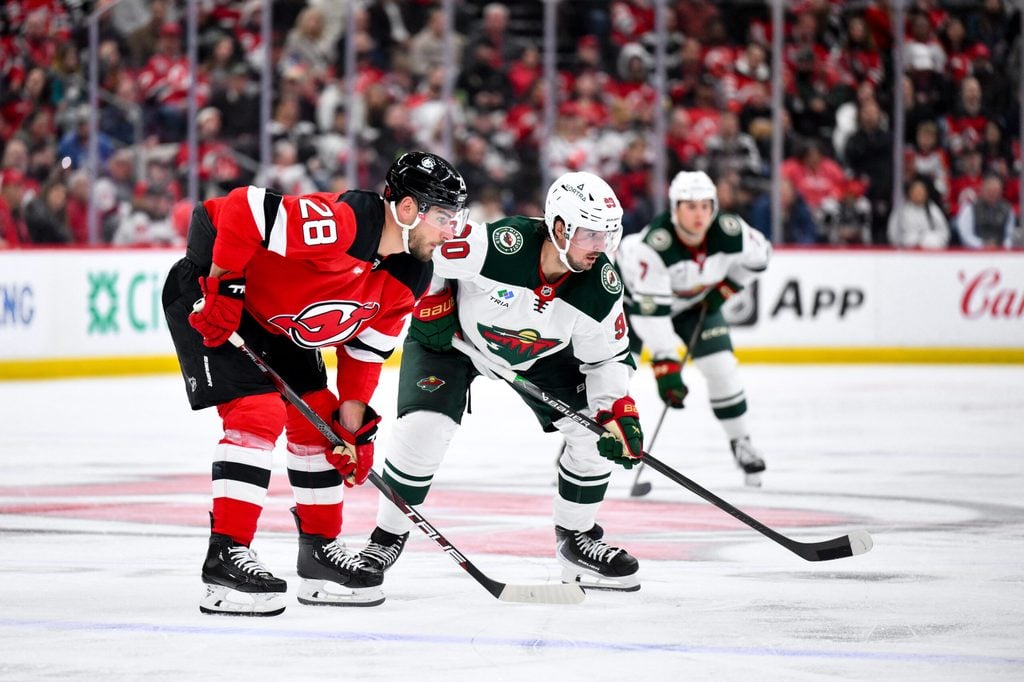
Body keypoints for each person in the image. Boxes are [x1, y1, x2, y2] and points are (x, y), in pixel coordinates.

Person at [161, 151, 468, 615]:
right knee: (256, 411)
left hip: (276, 325)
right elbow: (239, 209)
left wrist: (351, 424)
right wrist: (224, 287)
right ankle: (224, 555)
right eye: (445, 217)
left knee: (320, 424)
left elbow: (364, 352)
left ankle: (319, 554)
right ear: (407, 209)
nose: (452, 230)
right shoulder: (342, 224)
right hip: (212, 291)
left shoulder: (412, 274)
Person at [355, 172, 646, 592]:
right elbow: (427, 252)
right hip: (452, 340)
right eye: (590, 235)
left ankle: (576, 540)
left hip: (540, 355)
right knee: (425, 429)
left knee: (595, 434)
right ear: (559, 227)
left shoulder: (600, 287)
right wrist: (433, 302)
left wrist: (618, 411)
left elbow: (608, 358)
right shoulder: (498, 243)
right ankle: (386, 537)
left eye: (607, 236)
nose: (600, 248)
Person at [615, 171, 771, 486]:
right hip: (631, 305)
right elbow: (651, 314)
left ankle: (741, 442)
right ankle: (582, 447)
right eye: (689, 206)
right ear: (674, 209)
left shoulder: (731, 231)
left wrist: (727, 288)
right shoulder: (655, 245)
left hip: (694, 305)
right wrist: (666, 362)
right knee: (615, 377)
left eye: (704, 206)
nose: (699, 215)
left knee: (722, 368)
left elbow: (761, 257)